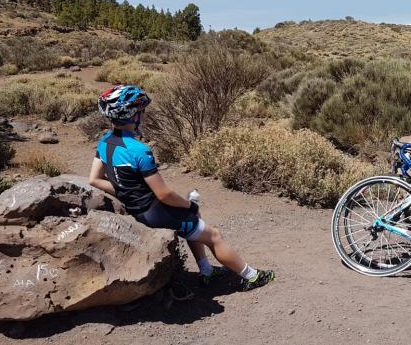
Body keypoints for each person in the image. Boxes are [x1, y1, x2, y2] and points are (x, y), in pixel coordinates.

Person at [88, 85, 274, 291]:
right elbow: (164, 194)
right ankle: (252, 276)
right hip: (156, 212)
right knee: (214, 235)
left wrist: (126, 192)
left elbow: (95, 179)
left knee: (192, 220)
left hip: (138, 210)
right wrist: (190, 205)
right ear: (131, 114)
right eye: (141, 111)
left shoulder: (104, 143)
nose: (144, 115)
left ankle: (206, 271)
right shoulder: (139, 151)